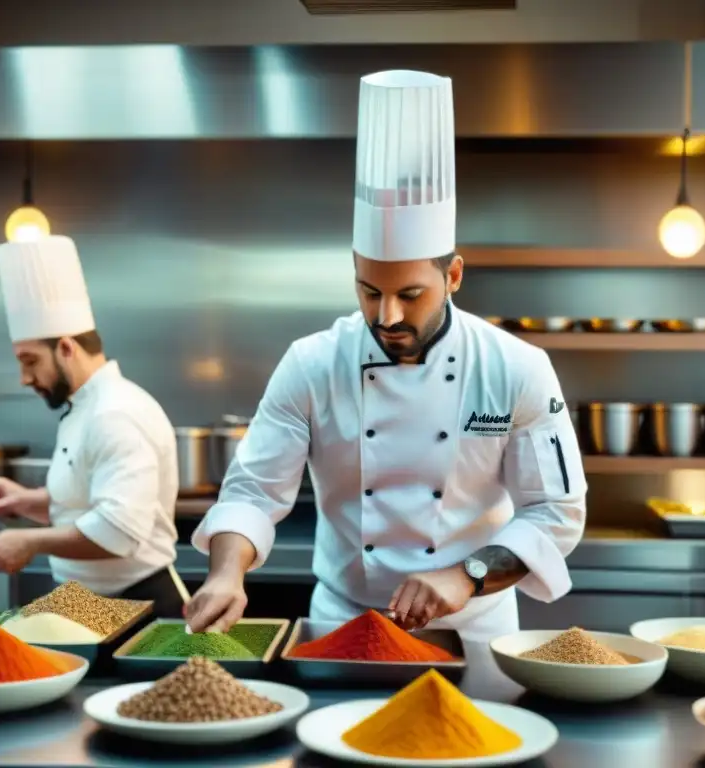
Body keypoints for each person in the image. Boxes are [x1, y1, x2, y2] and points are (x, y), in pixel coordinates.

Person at [184, 70, 587, 642]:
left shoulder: (514, 368)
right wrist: (227, 574)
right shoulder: (312, 364)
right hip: (344, 620)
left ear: (453, 276)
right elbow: (253, 492)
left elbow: (556, 511)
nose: (387, 317)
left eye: (410, 295)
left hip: (474, 628)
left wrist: (467, 574)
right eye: (369, 291)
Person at [0, 235, 184, 617]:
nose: (24, 377)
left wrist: (29, 542)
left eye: (30, 361)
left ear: (66, 348)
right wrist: (27, 501)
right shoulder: (84, 408)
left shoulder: (115, 414)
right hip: (85, 601)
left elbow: (116, 534)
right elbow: (88, 499)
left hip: (134, 602)